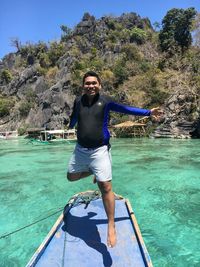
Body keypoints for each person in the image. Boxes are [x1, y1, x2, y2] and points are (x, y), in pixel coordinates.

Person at [67, 71, 162, 248]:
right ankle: (93, 171)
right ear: (83, 86)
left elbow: (125, 109)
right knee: (71, 177)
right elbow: (74, 116)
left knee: (106, 187)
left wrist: (148, 112)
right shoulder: (78, 101)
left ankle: (111, 224)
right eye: (87, 83)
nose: (91, 86)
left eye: (94, 83)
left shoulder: (106, 101)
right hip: (80, 149)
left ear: (99, 85)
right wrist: (70, 124)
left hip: (100, 150)